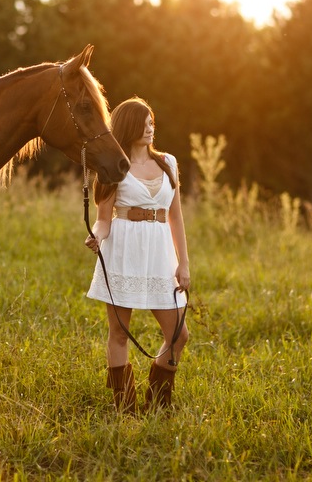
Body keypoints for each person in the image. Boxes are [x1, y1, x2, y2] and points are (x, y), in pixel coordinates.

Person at [84, 97, 191, 413]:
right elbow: (104, 220)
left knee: (179, 335)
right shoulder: (113, 165)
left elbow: (176, 216)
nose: (150, 128)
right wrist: (96, 236)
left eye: (152, 122)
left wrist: (183, 262)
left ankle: (158, 403)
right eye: (144, 123)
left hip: (160, 255)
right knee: (119, 334)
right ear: (129, 126)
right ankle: (124, 408)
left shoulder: (168, 163)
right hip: (123, 251)